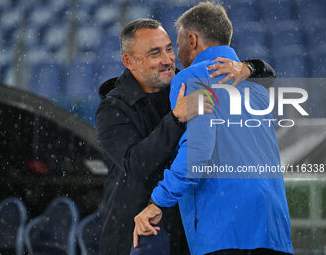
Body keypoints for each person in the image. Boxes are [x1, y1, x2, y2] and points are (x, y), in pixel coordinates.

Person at [96, 17, 276, 255]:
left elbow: (269, 78)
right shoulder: (113, 107)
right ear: (129, 61)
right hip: (136, 235)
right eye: (155, 53)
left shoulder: (187, 81)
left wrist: (247, 67)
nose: (168, 60)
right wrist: (176, 118)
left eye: (169, 49)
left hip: (188, 233)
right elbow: (137, 164)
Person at [133, 2, 293, 255]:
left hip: (224, 227)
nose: (177, 53)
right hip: (272, 227)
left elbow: (198, 151)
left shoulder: (190, 79)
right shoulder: (259, 90)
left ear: (192, 40)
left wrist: (158, 201)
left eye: (178, 43)